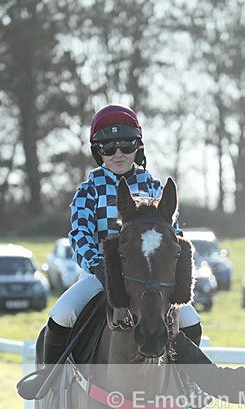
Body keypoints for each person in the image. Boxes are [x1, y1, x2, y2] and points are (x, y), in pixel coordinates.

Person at [43, 104, 201, 369]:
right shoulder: (88, 190)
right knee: (62, 314)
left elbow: (173, 235)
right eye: (108, 147)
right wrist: (100, 268)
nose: (118, 154)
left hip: (149, 277)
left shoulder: (153, 187)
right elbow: (80, 234)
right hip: (100, 275)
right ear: (98, 151)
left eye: (126, 146)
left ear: (137, 147)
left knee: (190, 320)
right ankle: (49, 379)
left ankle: (192, 382)